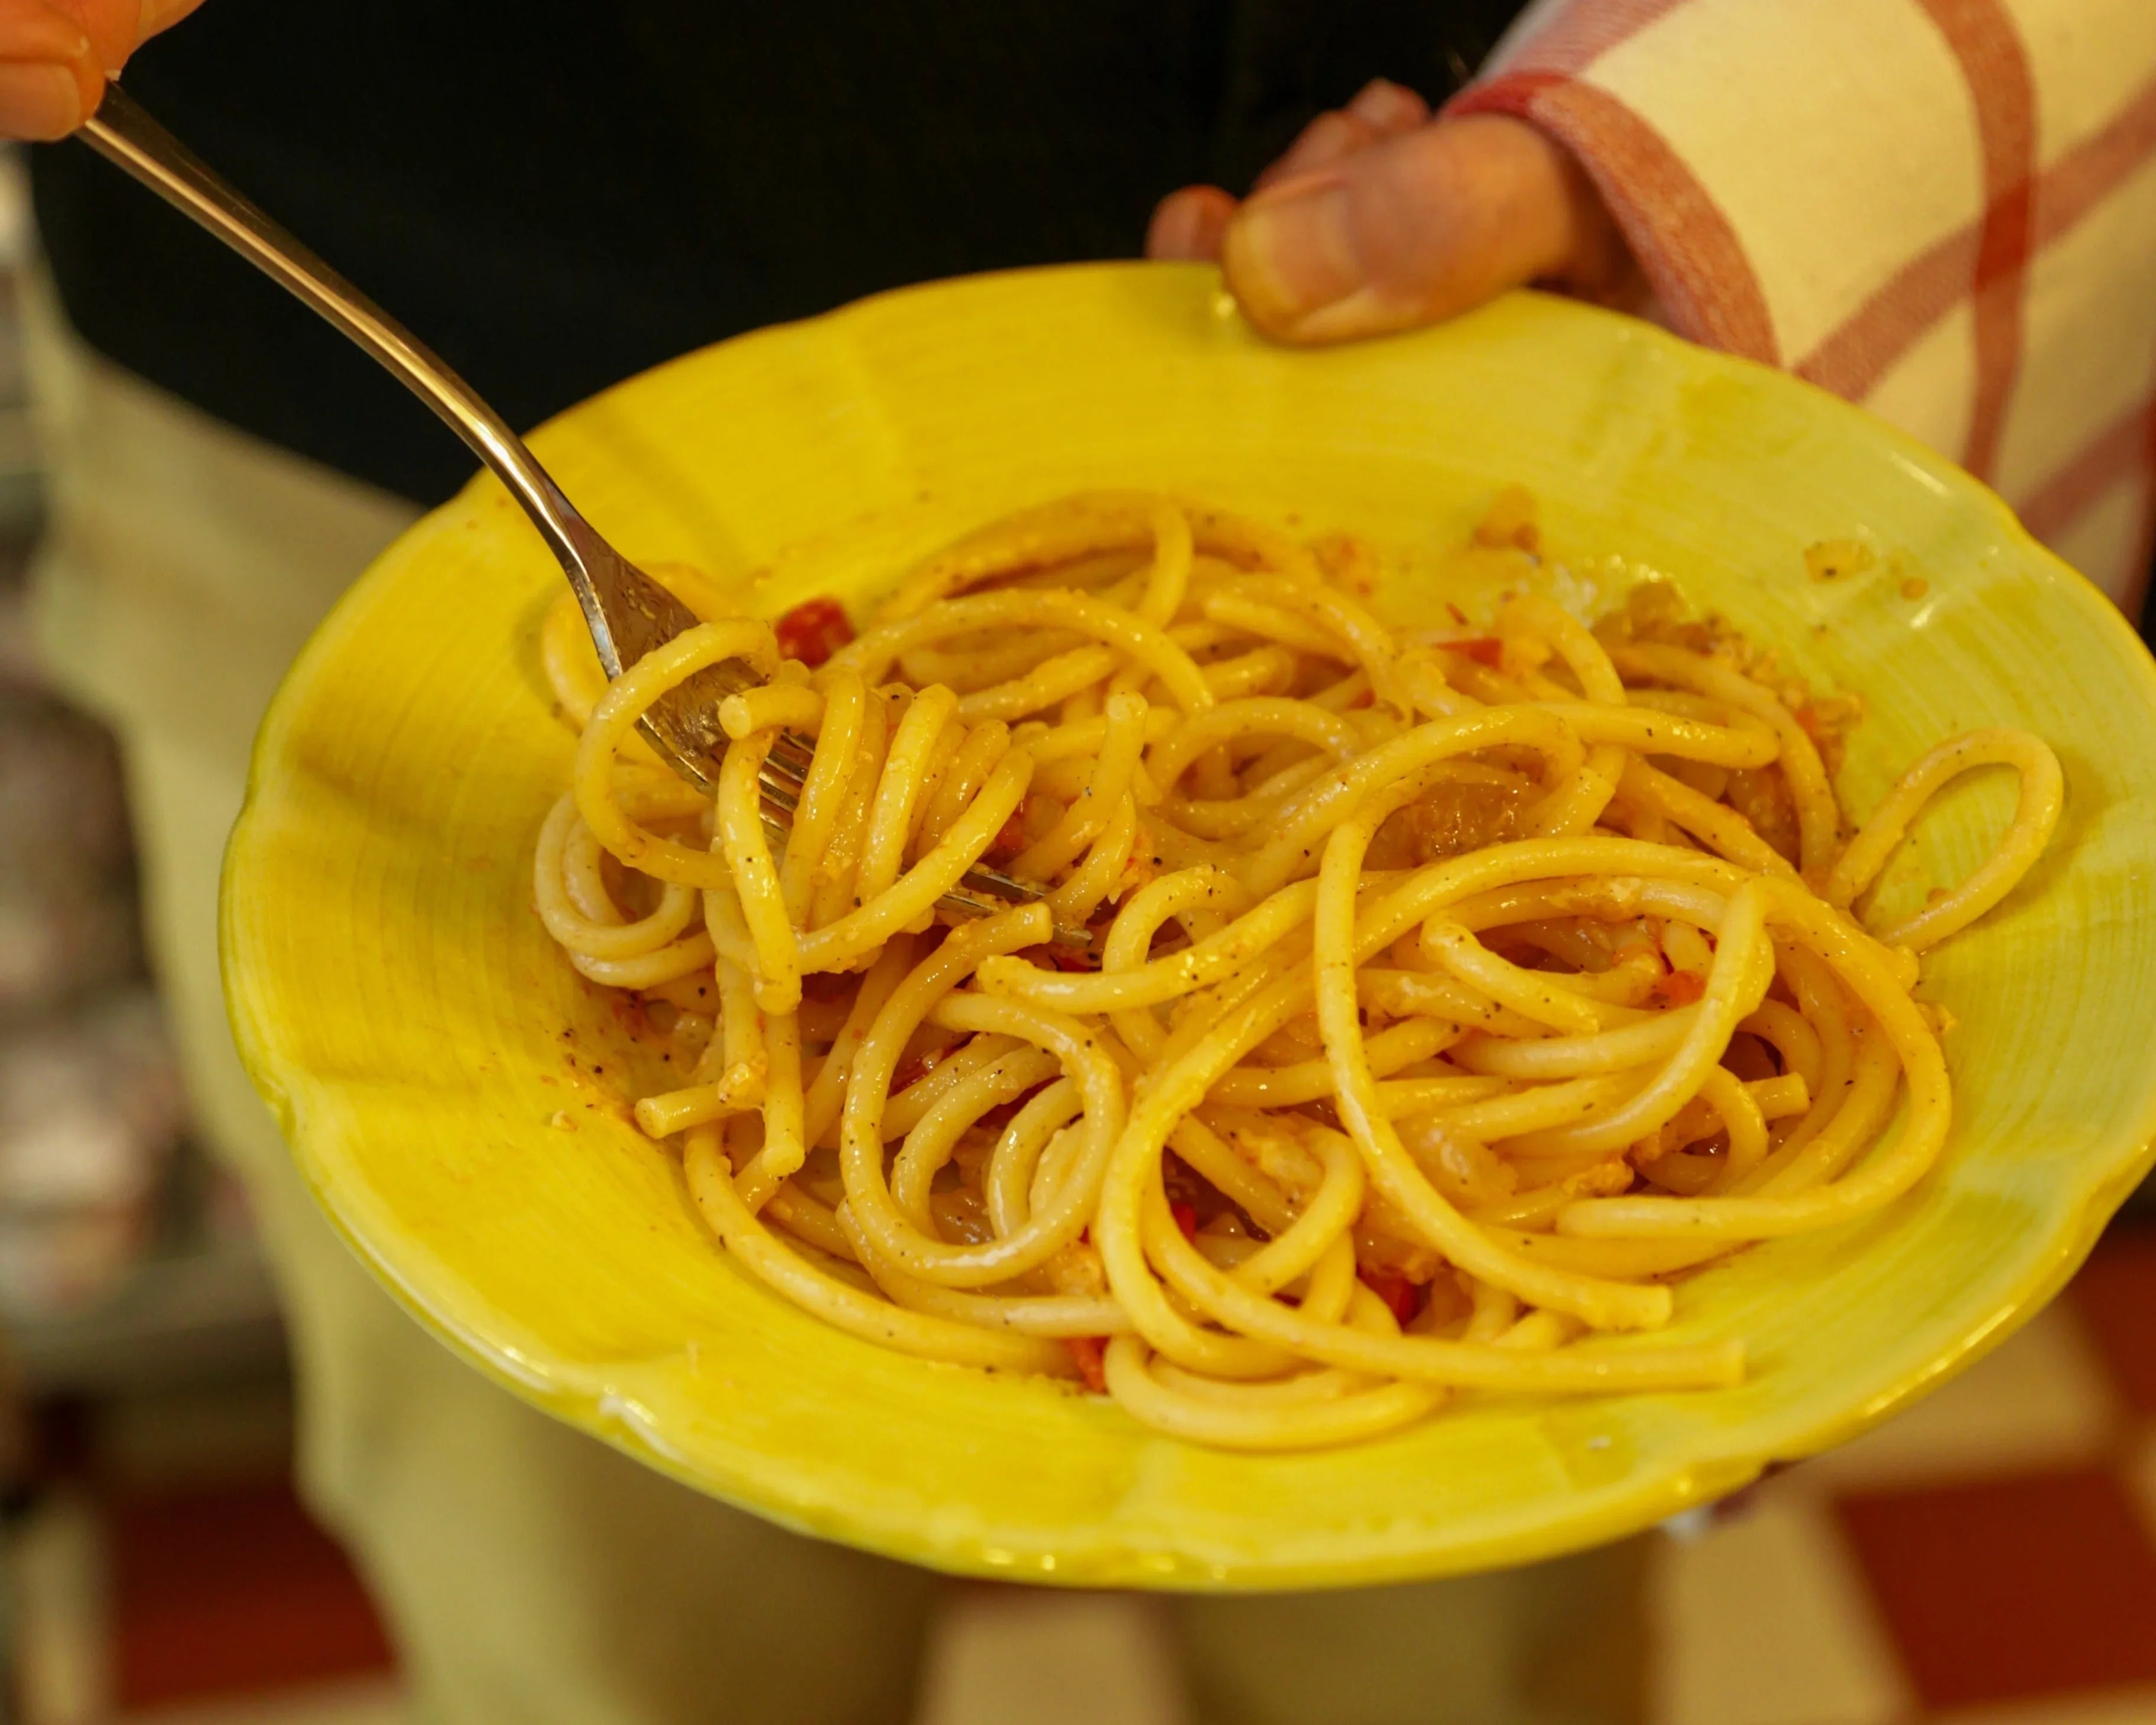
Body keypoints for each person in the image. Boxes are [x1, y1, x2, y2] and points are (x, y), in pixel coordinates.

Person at [13, 3, 2156, 1722]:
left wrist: (1683, 122)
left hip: (1480, 277)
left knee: (1463, 1654)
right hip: (378, 419)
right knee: (599, 1643)